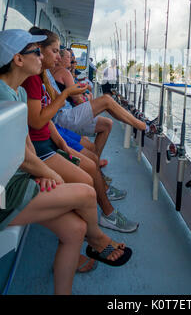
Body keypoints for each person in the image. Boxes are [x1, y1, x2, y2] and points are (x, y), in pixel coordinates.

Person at [0, 29, 132, 295]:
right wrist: (50, 173)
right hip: (4, 193)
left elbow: (25, 146)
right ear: (18, 59)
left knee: (75, 229)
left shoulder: (17, 94)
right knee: (85, 191)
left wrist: (43, 170)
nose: (49, 57)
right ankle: (97, 240)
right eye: (36, 51)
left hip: (16, 175)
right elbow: (21, 152)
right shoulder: (2, 97)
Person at [22, 27, 139, 232]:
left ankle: (102, 198)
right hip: (45, 142)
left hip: (52, 136)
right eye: (57, 51)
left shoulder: (42, 77)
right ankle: (141, 125)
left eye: (62, 53)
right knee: (105, 109)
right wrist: (68, 92)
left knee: (92, 160)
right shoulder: (34, 79)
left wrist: (61, 143)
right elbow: (39, 122)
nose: (59, 57)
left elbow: (45, 120)